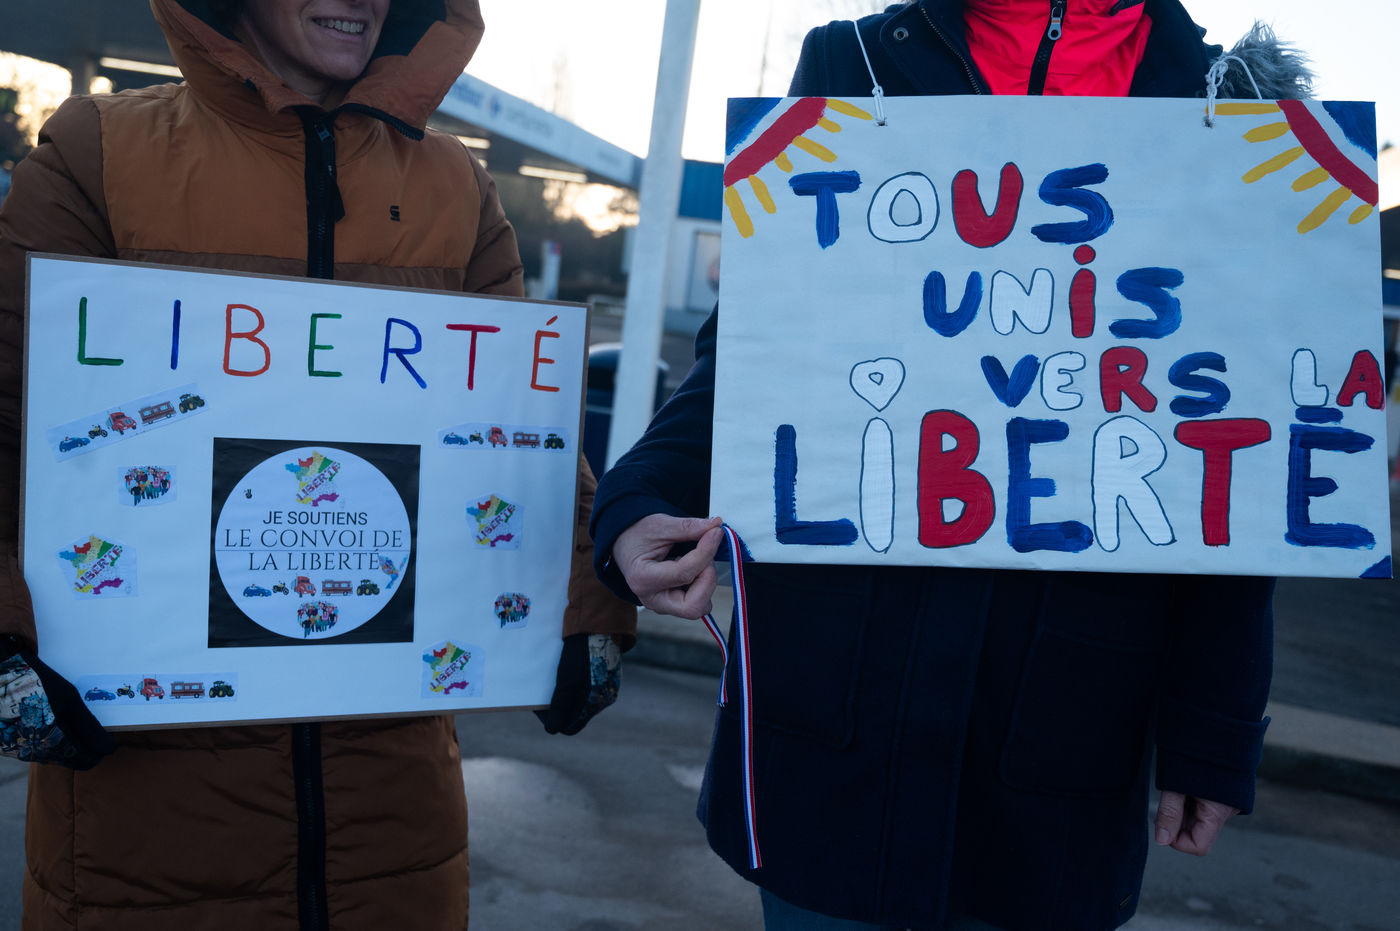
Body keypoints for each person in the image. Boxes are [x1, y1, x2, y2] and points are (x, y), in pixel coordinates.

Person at [591, 2, 1310, 929]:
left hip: (1061, 747)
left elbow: (1230, 451)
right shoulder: (852, 62)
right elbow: (762, 344)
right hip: (833, 719)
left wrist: (1215, 727)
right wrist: (639, 497)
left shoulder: (1229, 108)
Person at [0, 0, 633, 926]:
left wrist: (583, 605)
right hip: (148, 818)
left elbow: (522, 428)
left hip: (393, 815)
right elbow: (9, 405)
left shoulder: (456, 184)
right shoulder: (100, 151)